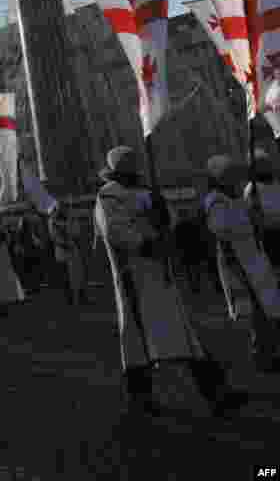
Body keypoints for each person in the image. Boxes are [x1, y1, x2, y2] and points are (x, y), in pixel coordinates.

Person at [95, 146, 247, 417]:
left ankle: (217, 393)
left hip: (161, 276)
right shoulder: (108, 196)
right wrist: (149, 240)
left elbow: (171, 222)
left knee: (187, 339)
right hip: (136, 278)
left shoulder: (147, 193)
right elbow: (116, 232)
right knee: (138, 344)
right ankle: (141, 399)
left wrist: (164, 216)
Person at [207, 154, 280, 371]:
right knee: (254, 311)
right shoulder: (215, 200)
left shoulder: (237, 198)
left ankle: (270, 350)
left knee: (267, 307)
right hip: (237, 259)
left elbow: (256, 224)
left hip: (254, 256)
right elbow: (221, 229)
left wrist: (256, 214)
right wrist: (248, 219)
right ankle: (261, 354)